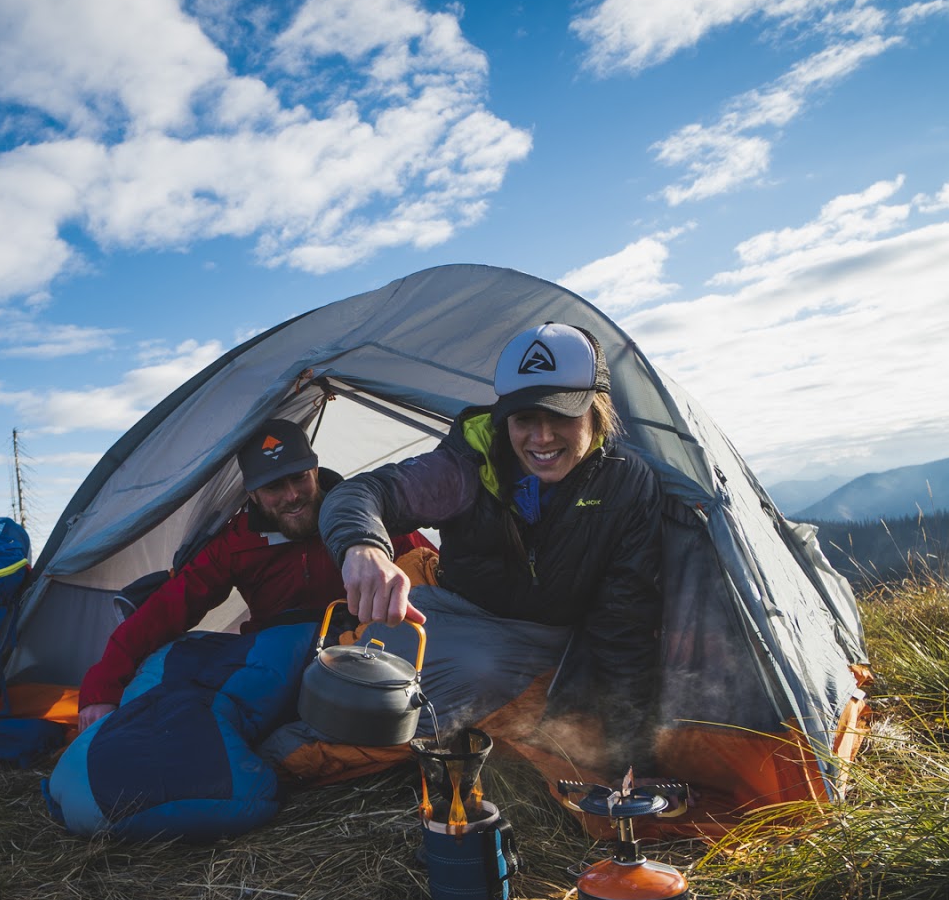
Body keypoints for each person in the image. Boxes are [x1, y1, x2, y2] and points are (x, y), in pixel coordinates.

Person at [318, 322, 663, 762]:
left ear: (597, 411)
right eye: (525, 419)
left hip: (535, 642)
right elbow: (360, 493)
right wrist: (362, 547)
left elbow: (626, 620)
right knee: (347, 685)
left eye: (561, 415)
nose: (541, 438)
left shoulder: (626, 484)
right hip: (457, 614)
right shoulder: (468, 466)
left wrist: (631, 756)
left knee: (450, 686)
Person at [76, 418, 430, 731]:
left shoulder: (363, 519)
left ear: (316, 471)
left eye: (299, 478)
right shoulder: (237, 543)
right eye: (274, 487)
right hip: (274, 663)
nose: (292, 496)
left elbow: (431, 565)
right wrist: (102, 687)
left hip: (359, 659)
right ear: (253, 495)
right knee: (176, 679)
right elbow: (166, 610)